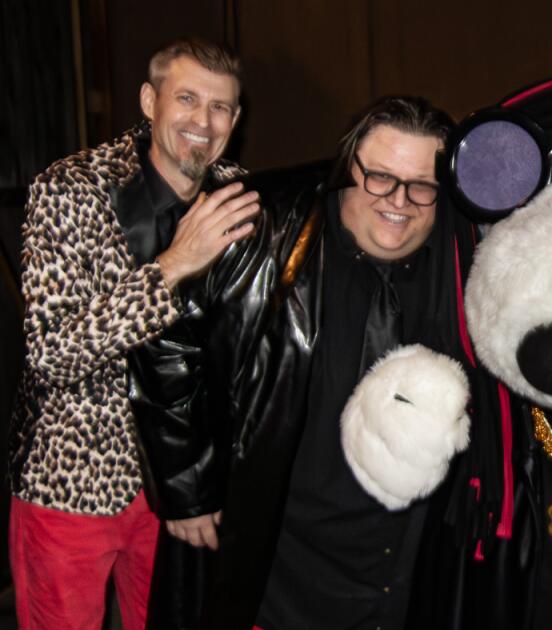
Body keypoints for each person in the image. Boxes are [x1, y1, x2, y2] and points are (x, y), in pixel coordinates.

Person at [129, 95, 491, 629]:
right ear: (347, 167)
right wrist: (185, 482)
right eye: (380, 178)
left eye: (422, 186)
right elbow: (163, 335)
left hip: (401, 575)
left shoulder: (467, 259)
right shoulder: (264, 231)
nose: (400, 201)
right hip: (281, 572)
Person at [8, 37, 255, 629]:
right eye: (187, 98)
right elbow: (52, 353)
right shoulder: (70, 189)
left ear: (236, 118)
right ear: (150, 101)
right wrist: (171, 267)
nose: (203, 122)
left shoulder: (238, 196)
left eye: (220, 107)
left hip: (180, 487)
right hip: (71, 482)